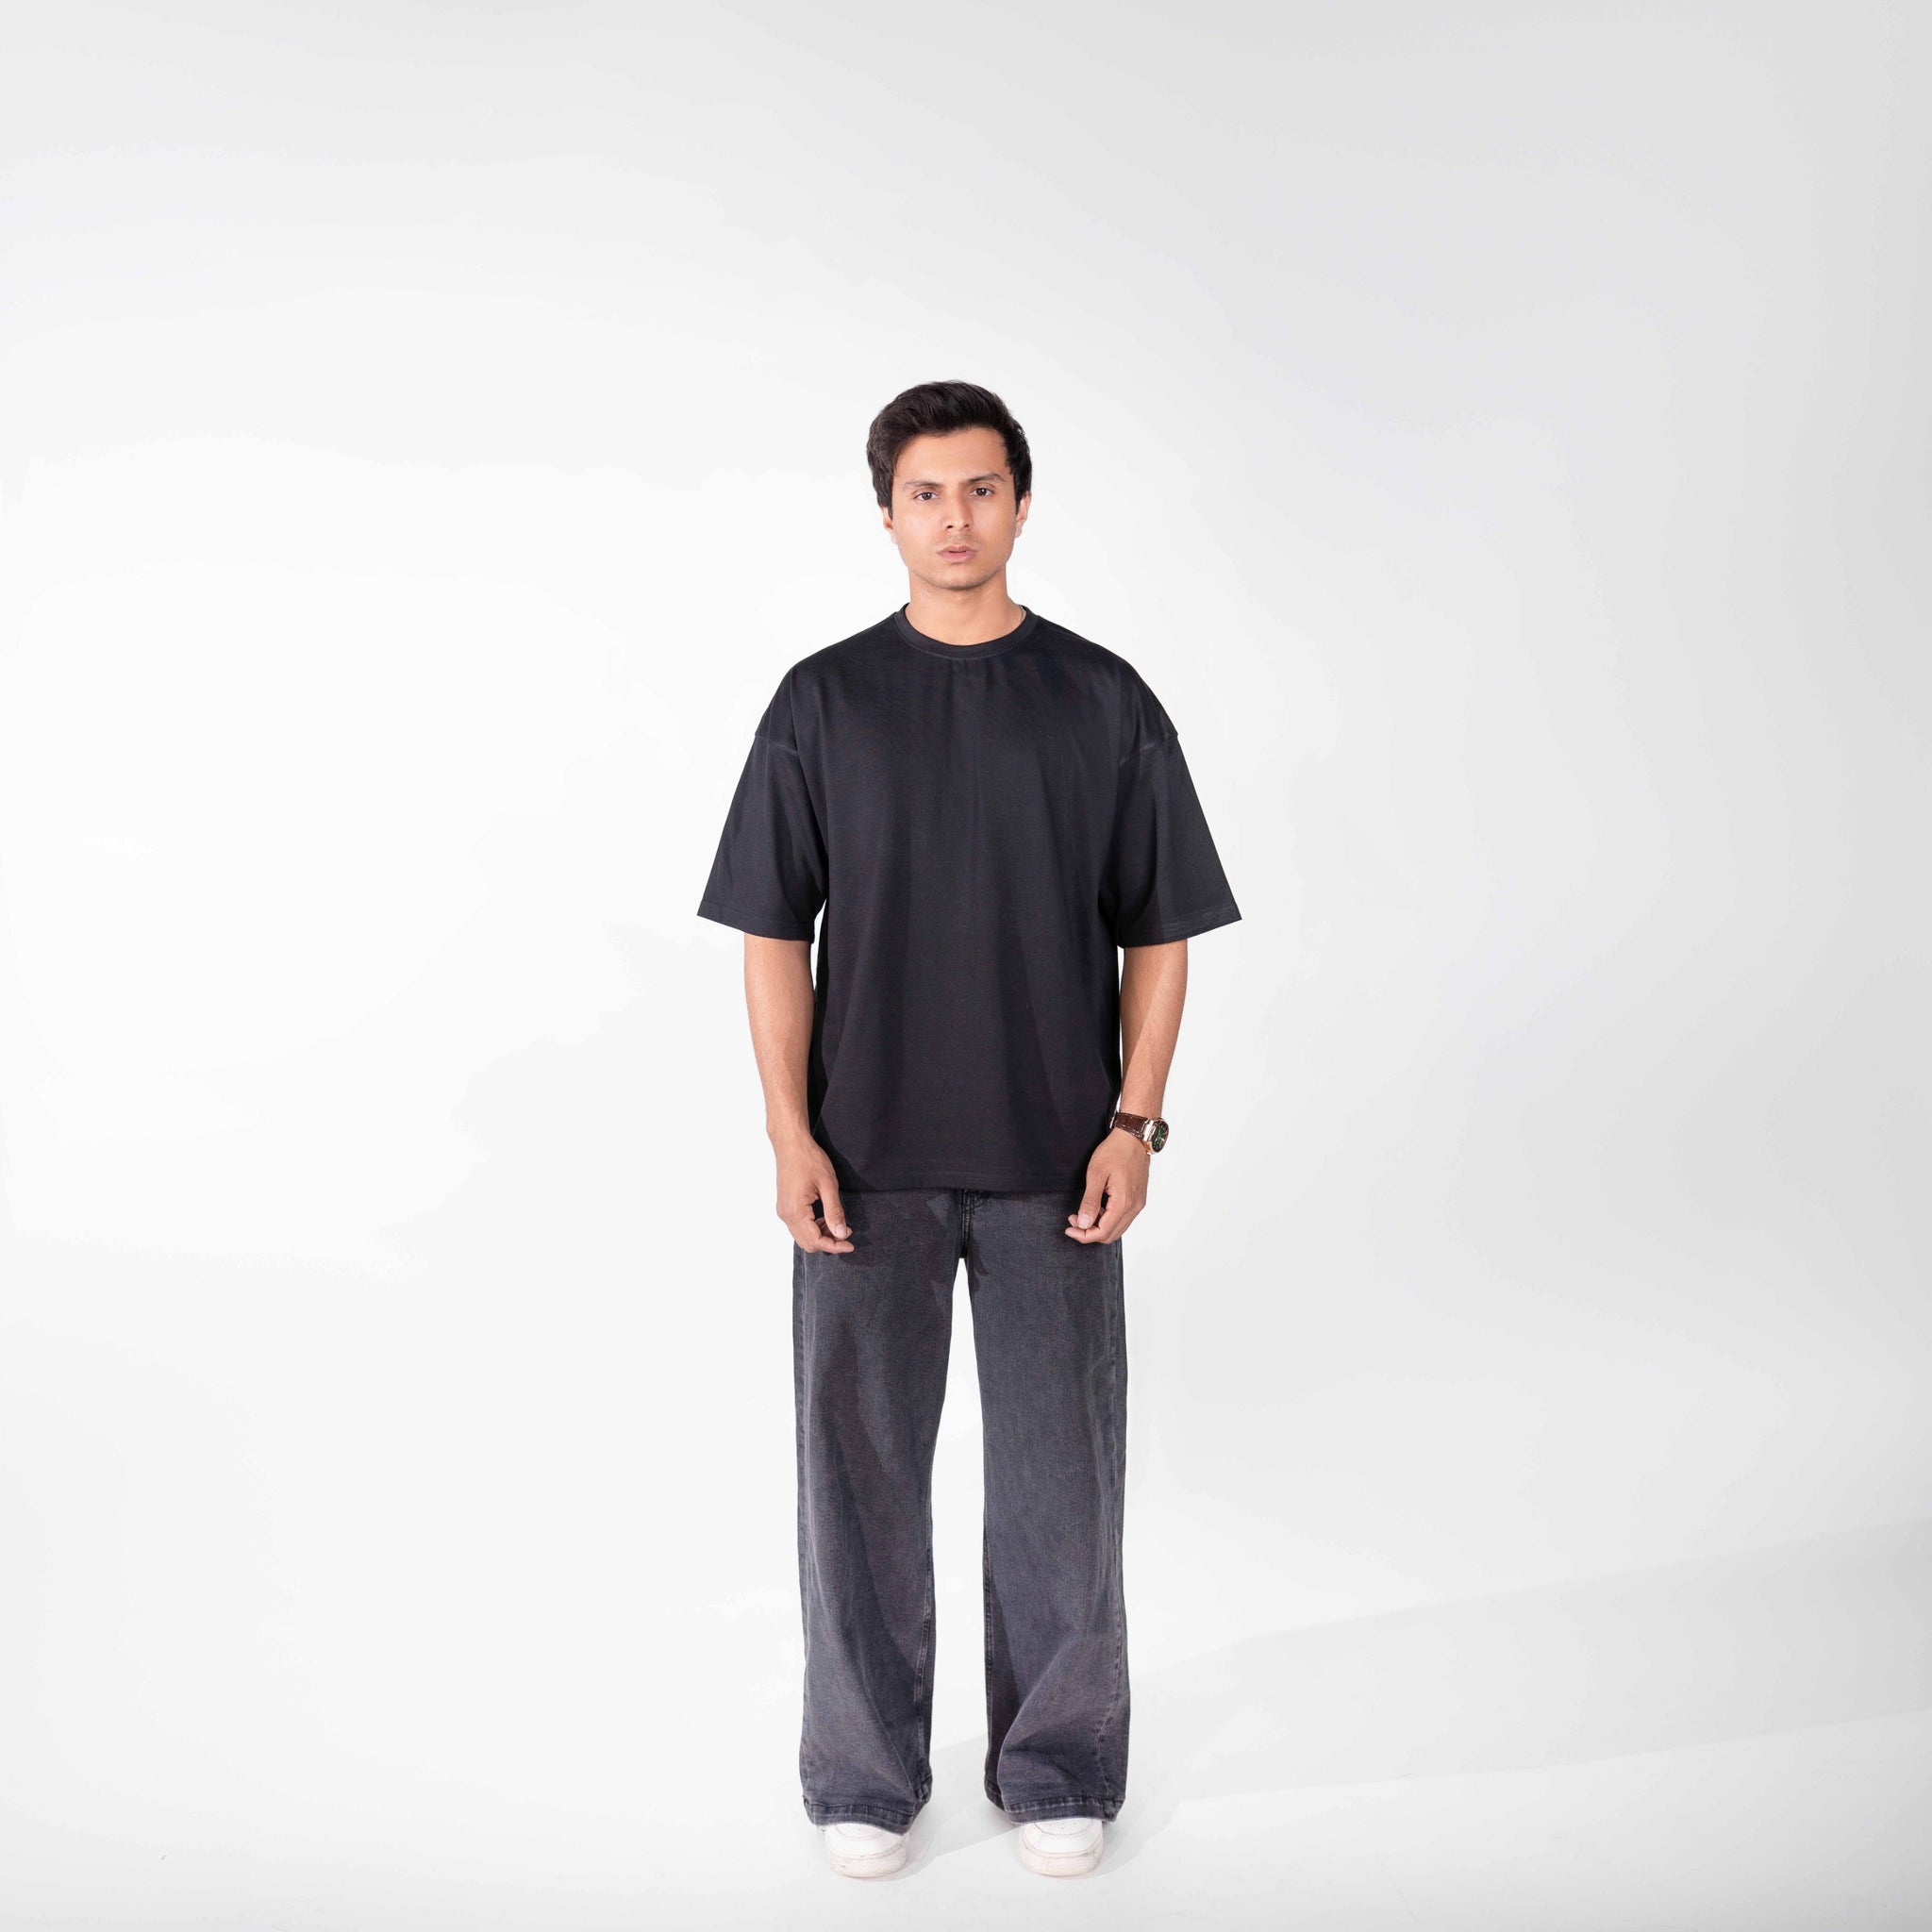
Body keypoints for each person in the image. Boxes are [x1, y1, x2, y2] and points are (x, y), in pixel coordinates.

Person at [695, 380, 1241, 1880]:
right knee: (857, 1484)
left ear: (1021, 503)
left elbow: (1161, 930)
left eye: (982, 489)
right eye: (927, 493)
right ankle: (864, 1777)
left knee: (1063, 1488)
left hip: (1058, 1162)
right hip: (862, 1162)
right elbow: (770, 933)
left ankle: (1058, 1764)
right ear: (886, 514)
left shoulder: (1101, 701)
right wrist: (789, 1136)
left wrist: (1135, 1124)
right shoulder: (822, 704)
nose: (956, 518)